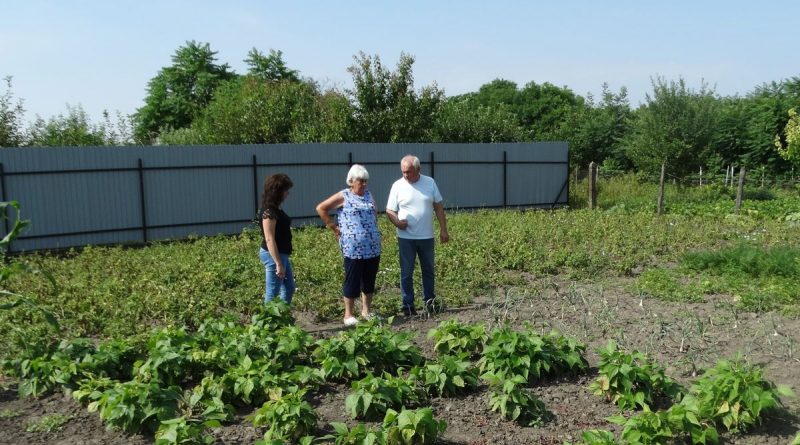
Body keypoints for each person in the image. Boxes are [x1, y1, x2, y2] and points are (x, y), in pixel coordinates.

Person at [316, 164, 382, 326]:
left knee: (369, 279)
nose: (365, 184)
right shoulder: (344, 195)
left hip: (372, 246)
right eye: (361, 181)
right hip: (353, 248)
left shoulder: (368, 194)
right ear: (351, 181)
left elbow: (375, 212)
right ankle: (348, 314)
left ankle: (366, 311)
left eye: (366, 181)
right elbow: (321, 208)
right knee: (352, 278)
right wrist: (333, 227)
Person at [385, 155, 449, 316]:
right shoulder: (397, 186)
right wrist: (397, 223)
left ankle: (429, 303)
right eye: (403, 172)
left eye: (409, 172)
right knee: (406, 272)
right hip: (406, 238)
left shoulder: (430, 183)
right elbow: (390, 210)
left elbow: (439, 207)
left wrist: (443, 229)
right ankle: (407, 305)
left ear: (418, 170)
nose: (406, 175)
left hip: (426, 236)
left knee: (428, 270)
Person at [258, 173, 296, 305]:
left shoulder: (276, 209)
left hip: (281, 254)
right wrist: (278, 263)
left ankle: (281, 317)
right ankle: (268, 322)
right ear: (278, 191)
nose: (287, 194)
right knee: (272, 292)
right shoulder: (269, 212)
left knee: (289, 288)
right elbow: (269, 239)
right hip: (273, 255)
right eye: (286, 190)